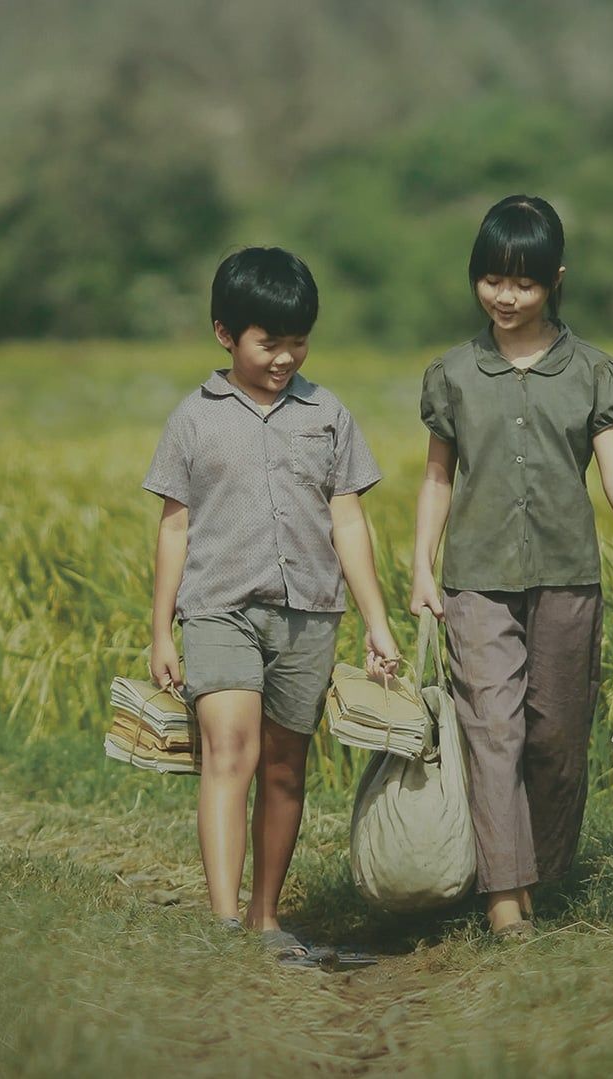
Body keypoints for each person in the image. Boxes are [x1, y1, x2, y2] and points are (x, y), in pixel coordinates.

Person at [408, 194, 613, 937]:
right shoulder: (453, 375)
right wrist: (419, 568)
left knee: (556, 740)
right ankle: (505, 901)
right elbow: (437, 477)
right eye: (492, 279)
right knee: (493, 731)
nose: (506, 296)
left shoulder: (593, 373)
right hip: (477, 579)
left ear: (554, 280)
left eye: (524, 282)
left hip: (570, 577)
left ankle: (537, 869)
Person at [144, 247, 400, 966]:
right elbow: (174, 527)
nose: (285, 356)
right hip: (218, 609)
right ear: (225, 334)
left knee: (286, 768)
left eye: (298, 340)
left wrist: (377, 622)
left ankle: (265, 916)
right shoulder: (193, 418)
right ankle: (225, 923)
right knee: (231, 750)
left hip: (309, 614)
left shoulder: (329, 414)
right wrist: (161, 630)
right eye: (269, 341)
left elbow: (348, 520)